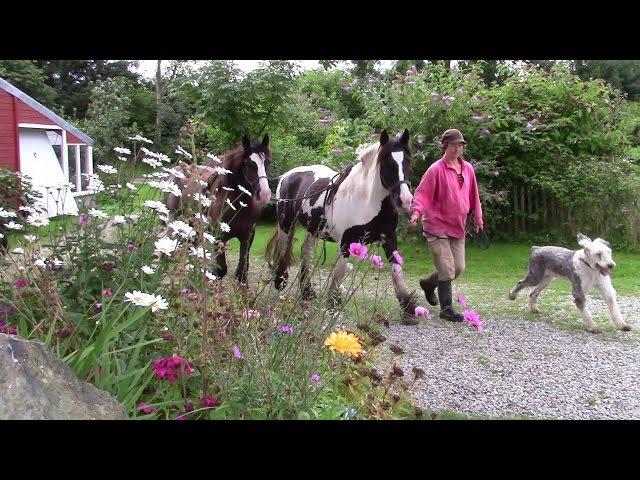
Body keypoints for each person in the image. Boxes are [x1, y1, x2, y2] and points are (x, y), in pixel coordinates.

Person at [409, 128, 484, 321]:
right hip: (436, 226)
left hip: (458, 226)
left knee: (457, 268)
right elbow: (422, 194)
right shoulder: (435, 169)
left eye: (461, 144)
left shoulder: (467, 168)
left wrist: (478, 217)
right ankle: (446, 309)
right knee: (447, 269)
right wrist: (416, 213)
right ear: (445, 145)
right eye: (455, 144)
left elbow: (473, 194)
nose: (458, 148)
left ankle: (428, 284)